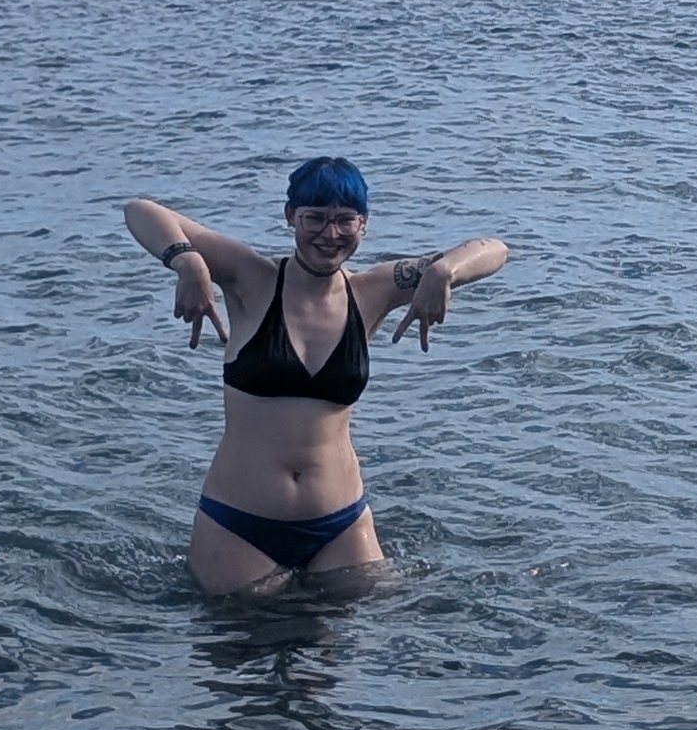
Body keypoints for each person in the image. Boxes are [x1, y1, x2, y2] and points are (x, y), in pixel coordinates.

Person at [120, 160, 510, 592]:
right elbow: (140, 210)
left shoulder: (374, 290)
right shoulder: (251, 278)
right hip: (237, 525)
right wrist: (187, 260)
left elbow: (495, 249)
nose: (330, 233)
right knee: (237, 632)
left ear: (363, 224)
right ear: (291, 216)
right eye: (315, 218)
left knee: (369, 628)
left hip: (341, 528)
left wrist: (442, 271)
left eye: (345, 220)